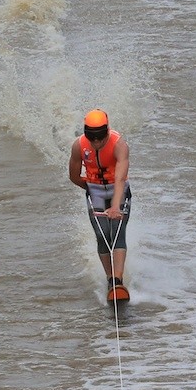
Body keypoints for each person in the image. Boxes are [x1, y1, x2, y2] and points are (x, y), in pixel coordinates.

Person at [68, 109, 131, 292]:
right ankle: (110, 279)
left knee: (117, 231)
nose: (96, 142)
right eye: (92, 137)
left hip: (118, 188)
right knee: (102, 234)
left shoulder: (119, 145)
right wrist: (90, 188)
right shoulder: (78, 146)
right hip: (94, 189)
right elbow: (73, 176)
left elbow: (120, 179)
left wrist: (115, 207)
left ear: (107, 130)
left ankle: (118, 281)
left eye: (100, 137)